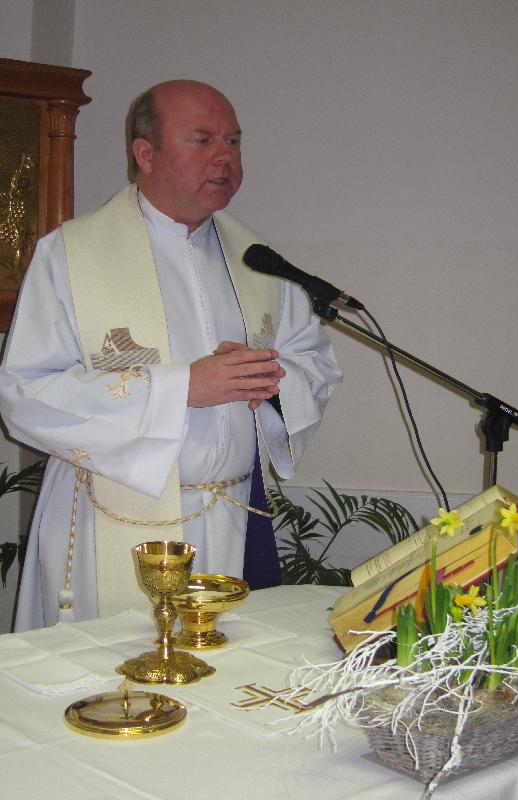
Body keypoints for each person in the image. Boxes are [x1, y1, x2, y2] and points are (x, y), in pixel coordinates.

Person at [0, 80, 341, 630]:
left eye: (233, 141)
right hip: (112, 520)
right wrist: (183, 388)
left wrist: (275, 382)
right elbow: (25, 394)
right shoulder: (70, 254)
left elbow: (315, 363)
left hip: (232, 518)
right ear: (145, 153)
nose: (225, 157)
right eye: (204, 140)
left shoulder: (259, 261)